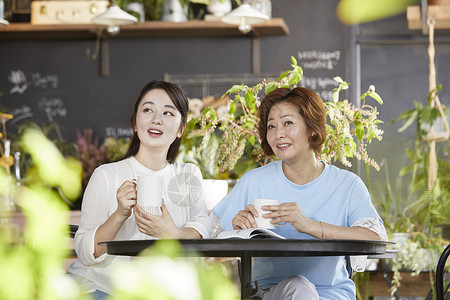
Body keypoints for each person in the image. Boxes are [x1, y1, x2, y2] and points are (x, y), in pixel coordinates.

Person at [211, 87, 387, 299]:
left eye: (288, 123)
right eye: (271, 126)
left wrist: (311, 226)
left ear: (312, 128)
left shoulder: (347, 185)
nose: (278, 134)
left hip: (334, 295)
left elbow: (374, 238)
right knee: (298, 286)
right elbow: (215, 253)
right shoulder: (254, 181)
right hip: (272, 294)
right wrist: (237, 232)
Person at [67, 80, 211, 299]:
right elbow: (87, 253)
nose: (156, 119)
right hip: (103, 288)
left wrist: (170, 233)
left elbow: (201, 231)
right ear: (135, 123)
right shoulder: (107, 175)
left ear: (181, 129)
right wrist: (119, 215)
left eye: (168, 113)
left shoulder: (188, 175)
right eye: (148, 110)